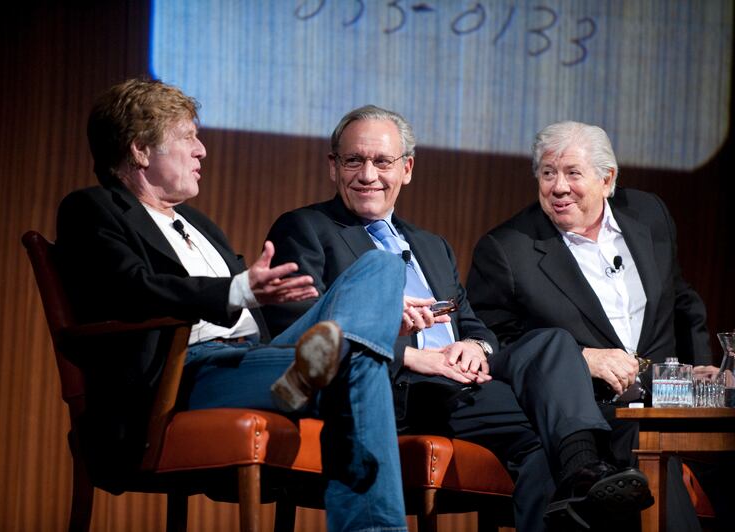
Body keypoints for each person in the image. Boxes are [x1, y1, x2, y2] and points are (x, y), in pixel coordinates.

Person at [262, 105, 653, 531]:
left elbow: (473, 324)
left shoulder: (431, 245)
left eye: (382, 162)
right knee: (555, 432)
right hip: (394, 388)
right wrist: (409, 355)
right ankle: (585, 467)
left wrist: (475, 346)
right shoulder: (306, 229)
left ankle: (581, 472)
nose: (368, 175)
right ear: (333, 167)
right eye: (354, 161)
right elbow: (299, 329)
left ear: (407, 169)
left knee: (553, 346)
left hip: (463, 384)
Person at [55, 79, 422, 531]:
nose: (201, 150)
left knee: (380, 269)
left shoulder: (198, 224)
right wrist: (239, 291)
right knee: (357, 365)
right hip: (182, 376)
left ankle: (319, 363)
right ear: (141, 151)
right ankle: (324, 381)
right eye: (188, 137)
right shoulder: (93, 209)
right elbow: (132, 287)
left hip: (251, 358)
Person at [466, 120, 722, 531]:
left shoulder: (649, 214)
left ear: (608, 179)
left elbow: (681, 300)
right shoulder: (508, 249)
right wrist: (581, 359)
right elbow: (492, 346)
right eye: (548, 173)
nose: (558, 187)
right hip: (586, 411)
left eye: (572, 173)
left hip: (667, 403)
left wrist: (701, 373)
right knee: (639, 449)